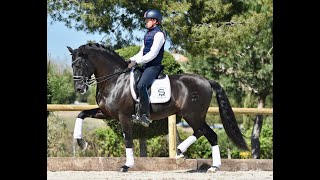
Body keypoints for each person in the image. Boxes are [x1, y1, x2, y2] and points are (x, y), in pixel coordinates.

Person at [127, 9, 166, 127]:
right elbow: (142, 52)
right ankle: (136, 111)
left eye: (147, 20)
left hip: (154, 66)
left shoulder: (159, 34)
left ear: (155, 21)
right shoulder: (147, 34)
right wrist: (131, 59)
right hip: (145, 65)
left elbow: (153, 54)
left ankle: (145, 115)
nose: (146, 22)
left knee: (141, 85)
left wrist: (137, 61)